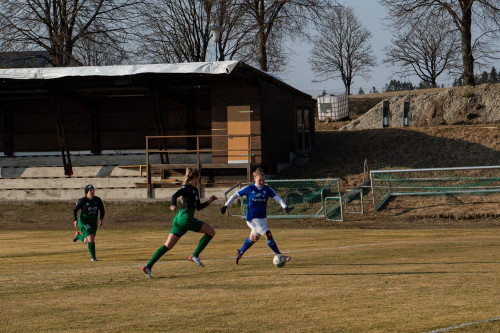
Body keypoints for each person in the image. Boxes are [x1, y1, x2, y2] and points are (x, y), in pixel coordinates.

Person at [142, 168, 217, 278]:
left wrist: (209, 202)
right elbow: (174, 196)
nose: (199, 180)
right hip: (185, 218)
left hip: (179, 220)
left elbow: (199, 208)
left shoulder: (195, 190)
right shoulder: (186, 187)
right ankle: (195, 255)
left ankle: (148, 266)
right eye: (199, 178)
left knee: (168, 245)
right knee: (211, 232)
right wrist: (173, 204)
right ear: (195, 177)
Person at [221, 168, 293, 265]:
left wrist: (285, 207)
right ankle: (280, 255)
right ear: (255, 179)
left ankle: (240, 252)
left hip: (263, 218)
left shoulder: (267, 189)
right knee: (268, 234)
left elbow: (277, 198)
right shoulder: (249, 188)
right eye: (260, 180)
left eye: (264, 180)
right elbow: (235, 195)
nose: (262, 182)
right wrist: (226, 205)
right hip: (252, 218)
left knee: (254, 238)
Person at [72, 184, 105, 261]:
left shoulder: (97, 200)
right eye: (90, 190)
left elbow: (102, 210)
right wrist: (75, 219)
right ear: (86, 192)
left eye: (93, 190)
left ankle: (78, 236)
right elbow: (74, 210)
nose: (92, 192)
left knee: (86, 240)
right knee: (91, 238)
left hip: (93, 222)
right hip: (84, 221)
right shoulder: (82, 201)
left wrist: (101, 219)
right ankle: (93, 258)